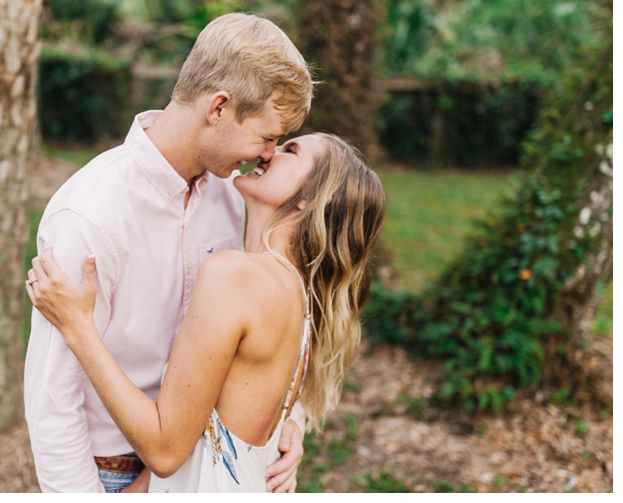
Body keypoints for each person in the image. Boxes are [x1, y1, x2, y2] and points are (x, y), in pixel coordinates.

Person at [24, 13, 315, 493]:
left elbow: (266, 318)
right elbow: (52, 395)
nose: (268, 154)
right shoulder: (90, 215)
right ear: (219, 107)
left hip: (206, 462)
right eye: (267, 137)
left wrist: (289, 417)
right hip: (108, 473)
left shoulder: (231, 194)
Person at [28, 131, 385, 493]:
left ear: (309, 199)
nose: (269, 151)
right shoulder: (301, 295)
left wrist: (78, 328)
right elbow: (206, 432)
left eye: (290, 150)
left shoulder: (236, 277)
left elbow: (166, 452)